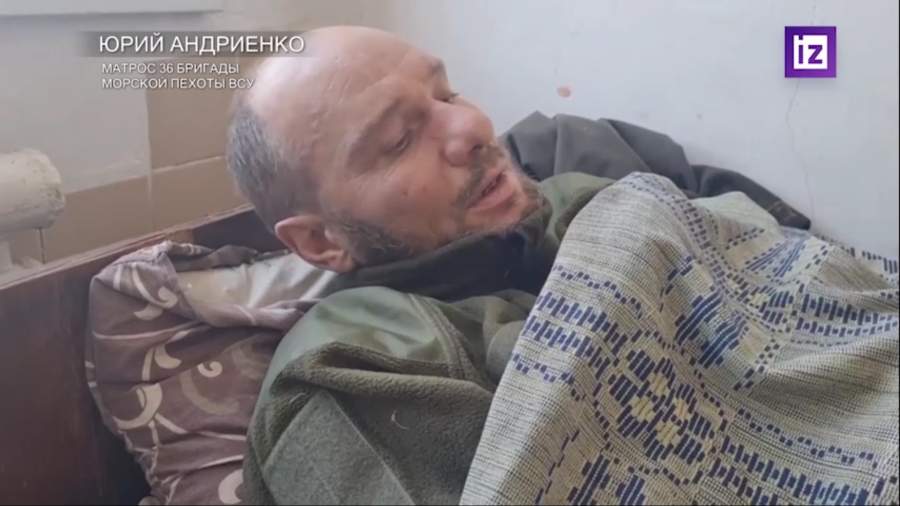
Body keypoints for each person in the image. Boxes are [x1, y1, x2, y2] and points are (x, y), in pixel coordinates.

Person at [226, 26, 810, 505]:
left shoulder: (579, 195)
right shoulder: (343, 377)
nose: (473, 129)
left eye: (447, 95)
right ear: (321, 241)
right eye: (400, 139)